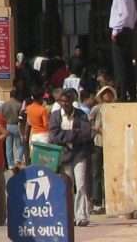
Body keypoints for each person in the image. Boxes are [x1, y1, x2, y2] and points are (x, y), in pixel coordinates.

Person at [52, 90, 93, 226]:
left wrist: (66, 135)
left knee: (81, 185)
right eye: (62, 101)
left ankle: (81, 216)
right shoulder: (55, 116)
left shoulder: (81, 115)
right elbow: (54, 135)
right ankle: (69, 216)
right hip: (64, 155)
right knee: (67, 186)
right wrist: (73, 134)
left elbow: (86, 133)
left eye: (67, 101)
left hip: (79, 154)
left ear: (72, 102)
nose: (65, 104)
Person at [106, 0, 137, 101]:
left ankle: (122, 95)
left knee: (120, 65)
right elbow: (134, 15)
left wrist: (116, 31)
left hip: (121, 32)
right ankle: (132, 94)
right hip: (128, 31)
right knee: (128, 64)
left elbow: (124, 15)